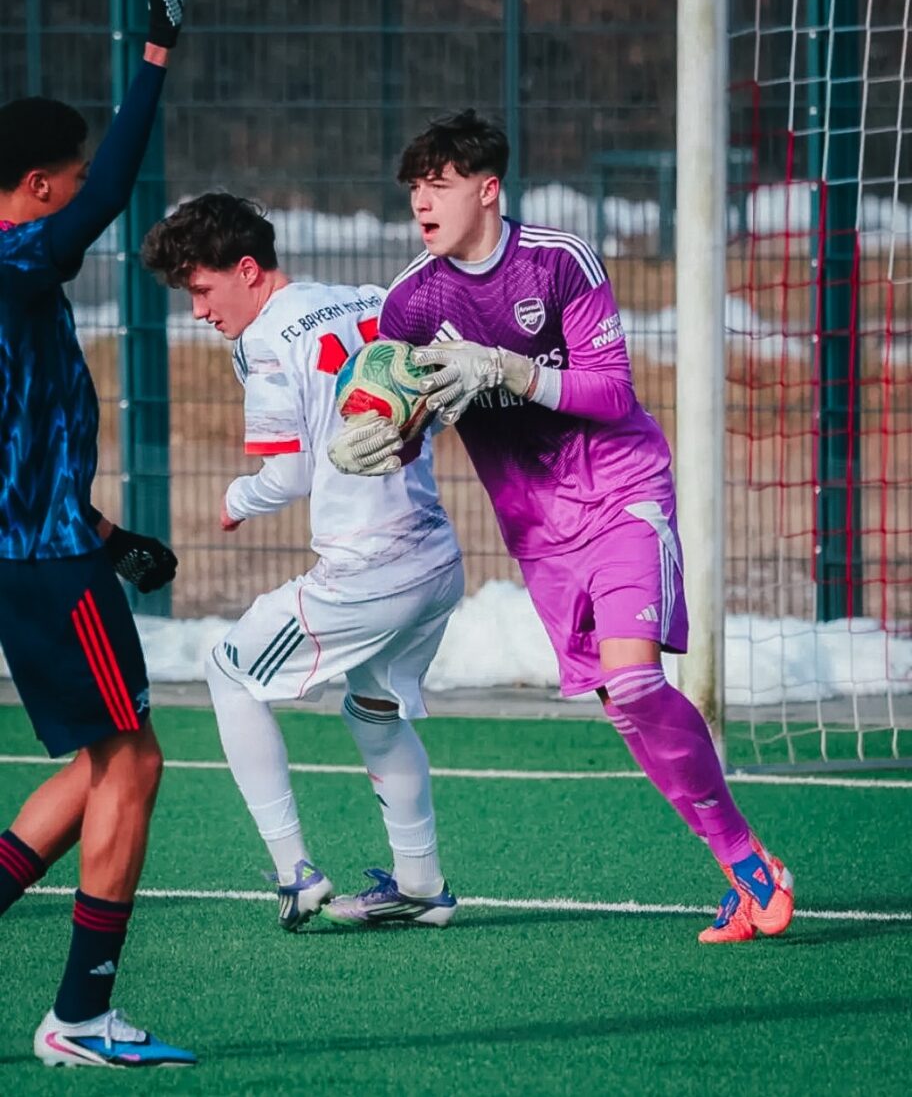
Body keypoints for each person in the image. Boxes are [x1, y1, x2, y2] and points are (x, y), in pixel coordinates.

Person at [328, 109, 794, 944]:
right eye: (414, 190)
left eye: (438, 186)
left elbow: (612, 391)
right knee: (624, 707)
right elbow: (405, 419)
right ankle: (739, 862)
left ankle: (744, 857)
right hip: (537, 530)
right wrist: (376, 445)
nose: (422, 204)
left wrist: (511, 369)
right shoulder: (410, 301)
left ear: (487, 189)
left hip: (620, 491)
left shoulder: (557, 261)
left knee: (637, 680)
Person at [140, 192, 464, 932]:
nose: (198, 311)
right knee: (374, 711)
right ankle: (421, 886)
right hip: (436, 558)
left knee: (229, 672)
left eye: (202, 290)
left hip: (368, 572)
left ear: (247, 270)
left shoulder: (264, 340)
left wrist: (236, 499)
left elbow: (286, 476)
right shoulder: (370, 299)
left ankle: (295, 873)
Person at [0, 0, 197, 1068]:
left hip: (46, 553)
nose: (80, 194)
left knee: (95, 763)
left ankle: (80, 1013)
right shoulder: (11, 259)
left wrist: (113, 540)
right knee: (134, 765)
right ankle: (80, 1017)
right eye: (66, 182)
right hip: (43, 565)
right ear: (35, 186)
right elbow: (113, 189)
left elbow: (21, 450)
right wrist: (157, 55)